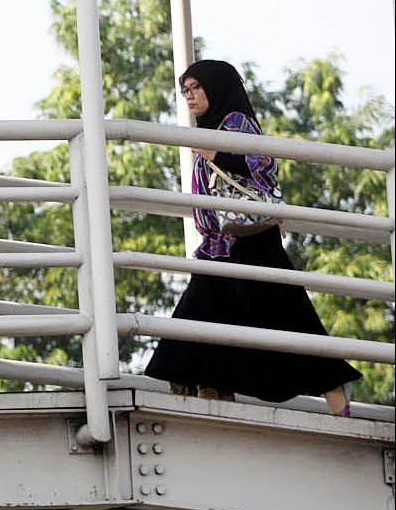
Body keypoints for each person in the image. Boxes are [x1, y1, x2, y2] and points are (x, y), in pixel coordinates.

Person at [145, 59, 358, 415]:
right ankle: (209, 389)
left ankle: (334, 387)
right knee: (203, 314)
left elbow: (264, 165)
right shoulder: (206, 128)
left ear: (217, 87)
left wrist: (217, 153)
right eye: (185, 91)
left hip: (251, 238)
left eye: (196, 88)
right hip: (221, 244)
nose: (190, 97)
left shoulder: (235, 122)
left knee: (284, 315)